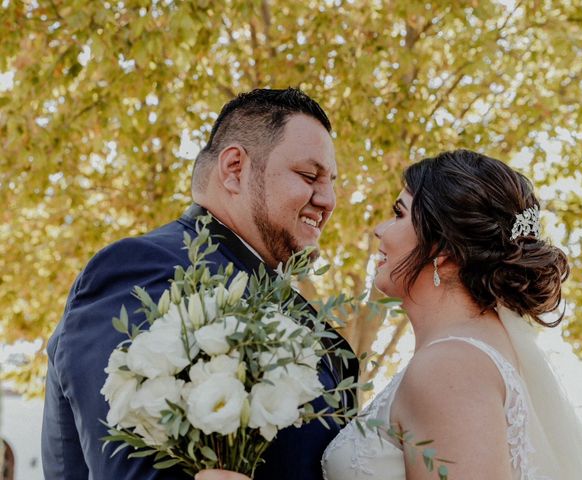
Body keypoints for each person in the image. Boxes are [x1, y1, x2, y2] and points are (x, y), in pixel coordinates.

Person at [200, 149, 582, 479]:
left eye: (398, 213)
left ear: (442, 250)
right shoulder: (474, 351)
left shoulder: (449, 368)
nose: (379, 229)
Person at [41, 88, 358, 480]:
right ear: (234, 169)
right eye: (310, 176)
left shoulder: (277, 296)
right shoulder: (144, 270)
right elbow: (135, 466)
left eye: (332, 182)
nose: (328, 199)